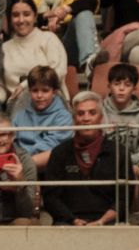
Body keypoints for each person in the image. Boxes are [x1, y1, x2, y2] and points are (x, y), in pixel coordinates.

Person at [40, 91, 120, 225]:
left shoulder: (117, 151)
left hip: (108, 222)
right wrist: (73, 220)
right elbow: (51, 197)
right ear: (74, 119)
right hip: (67, 222)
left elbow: (124, 198)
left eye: (92, 113)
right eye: (80, 113)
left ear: (100, 117)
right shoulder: (60, 152)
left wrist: (101, 221)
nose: (86, 118)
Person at [16, 0, 95, 75]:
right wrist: (46, 16)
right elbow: (21, 19)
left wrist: (66, 9)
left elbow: (92, 0)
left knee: (85, 13)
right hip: (40, 49)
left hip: (67, 44)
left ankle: (89, 64)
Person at [1, 0, 65, 109]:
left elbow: (58, 73)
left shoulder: (49, 39)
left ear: (35, 17)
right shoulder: (4, 48)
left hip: (52, 102)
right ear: (10, 19)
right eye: (15, 15)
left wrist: (25, 85)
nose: (21, 20)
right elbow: (0, 85)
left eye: (26, 14)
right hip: (19, 106)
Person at [8, 64, 68, 168]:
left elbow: (53, 145)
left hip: (50, 165)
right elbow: (12, 140)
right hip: (20, 163)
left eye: (45, 90)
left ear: (54, 92)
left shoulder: (63, 117)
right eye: (35, 90)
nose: (39, 96)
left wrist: (24, 159)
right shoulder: (20, 115)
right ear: (29, 91)